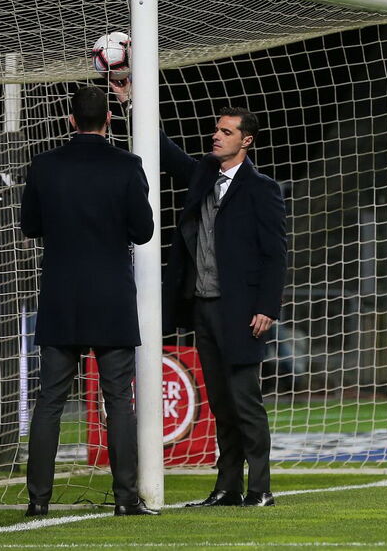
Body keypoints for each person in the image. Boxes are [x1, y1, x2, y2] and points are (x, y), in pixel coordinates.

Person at [114, 81, 286, 508]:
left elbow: (275, 254)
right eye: (216, 130)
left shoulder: (261, 188)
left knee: (246, 401)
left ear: (246, 140)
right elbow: (164, 148)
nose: (216, 136)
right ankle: (227, 487)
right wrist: (132, 102)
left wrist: (267, 307)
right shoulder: (203, 175)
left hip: (243, 312)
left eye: (226, 132)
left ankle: (260, 488)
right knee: (221, 405)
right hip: (204, 308)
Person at [20, 85, 157, 517]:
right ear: (109, 120)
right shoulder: (126, 165)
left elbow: (29, 226)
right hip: (111, 298)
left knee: (50, 401)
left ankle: (38, 502)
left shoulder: (44, 166)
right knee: (118, 401)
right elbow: (143, 231)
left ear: (70, 120)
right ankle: (124, 499)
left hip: (61, 296)